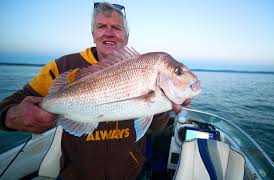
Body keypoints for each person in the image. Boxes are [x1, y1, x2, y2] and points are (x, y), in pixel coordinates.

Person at [0, 2, 190, 180]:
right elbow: (11, 103)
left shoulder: (144, 68)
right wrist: (9, 116)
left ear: (126, 36)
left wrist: (163, 107)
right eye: (101, 27)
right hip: (76, 175)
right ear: (93, 34)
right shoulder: (63, 66)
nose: (109, 33)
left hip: (132, 174)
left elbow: (155, 127)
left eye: (116, 28)